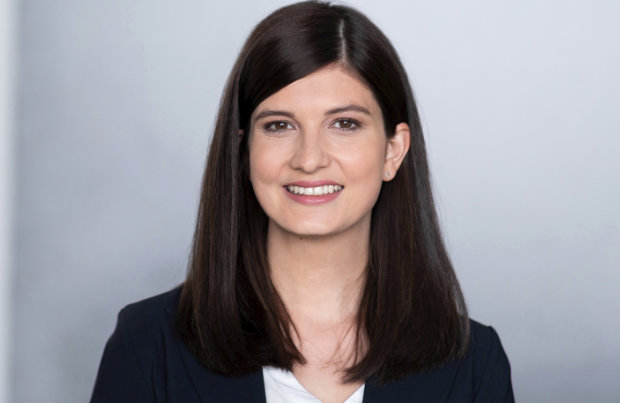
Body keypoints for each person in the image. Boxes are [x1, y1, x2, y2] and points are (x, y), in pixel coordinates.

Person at [91, 1, 514, 402]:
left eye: (344, 124)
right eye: (279, 126)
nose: (309, 159)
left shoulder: (474, 363)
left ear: (393, 151)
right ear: (243, 152)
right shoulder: (147, 345)